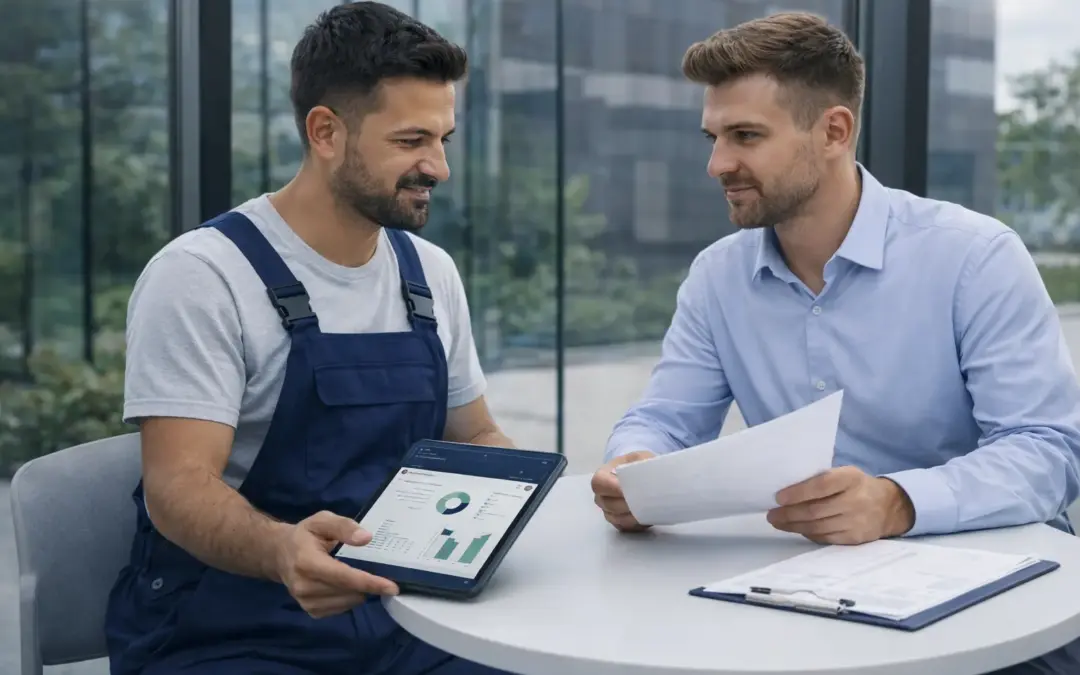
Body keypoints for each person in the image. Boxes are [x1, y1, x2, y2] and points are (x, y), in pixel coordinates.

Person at [590, 12, 1080, 675]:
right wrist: (634, 465)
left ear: (834, 131)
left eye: (745, 136)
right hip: (806, 595)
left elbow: (1048, 450)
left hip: (992, 602)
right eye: (713, 137)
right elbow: (665, 419)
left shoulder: (975, 257)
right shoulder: (717, 277)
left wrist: (897, 501)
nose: (717, 164)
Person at [104, 3, 515, 674]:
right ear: (325, 132)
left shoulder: (429, 273)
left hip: (405, 615)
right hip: (231, 628)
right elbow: (177, 485)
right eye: (412, 140)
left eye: (444, 138)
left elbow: (474, 434)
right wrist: (281, 550)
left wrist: (522, 491)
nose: (439, 166)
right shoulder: (202, 275)